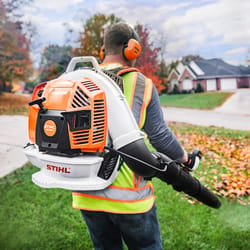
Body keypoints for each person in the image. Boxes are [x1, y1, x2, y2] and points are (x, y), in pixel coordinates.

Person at [72, 22, 198, 250]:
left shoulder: (81, 79)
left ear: (103, 51)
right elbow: (160, 138)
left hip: (87, 192)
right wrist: (186, 159)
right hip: (129, 198)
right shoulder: (140, 84)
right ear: (132, 48)